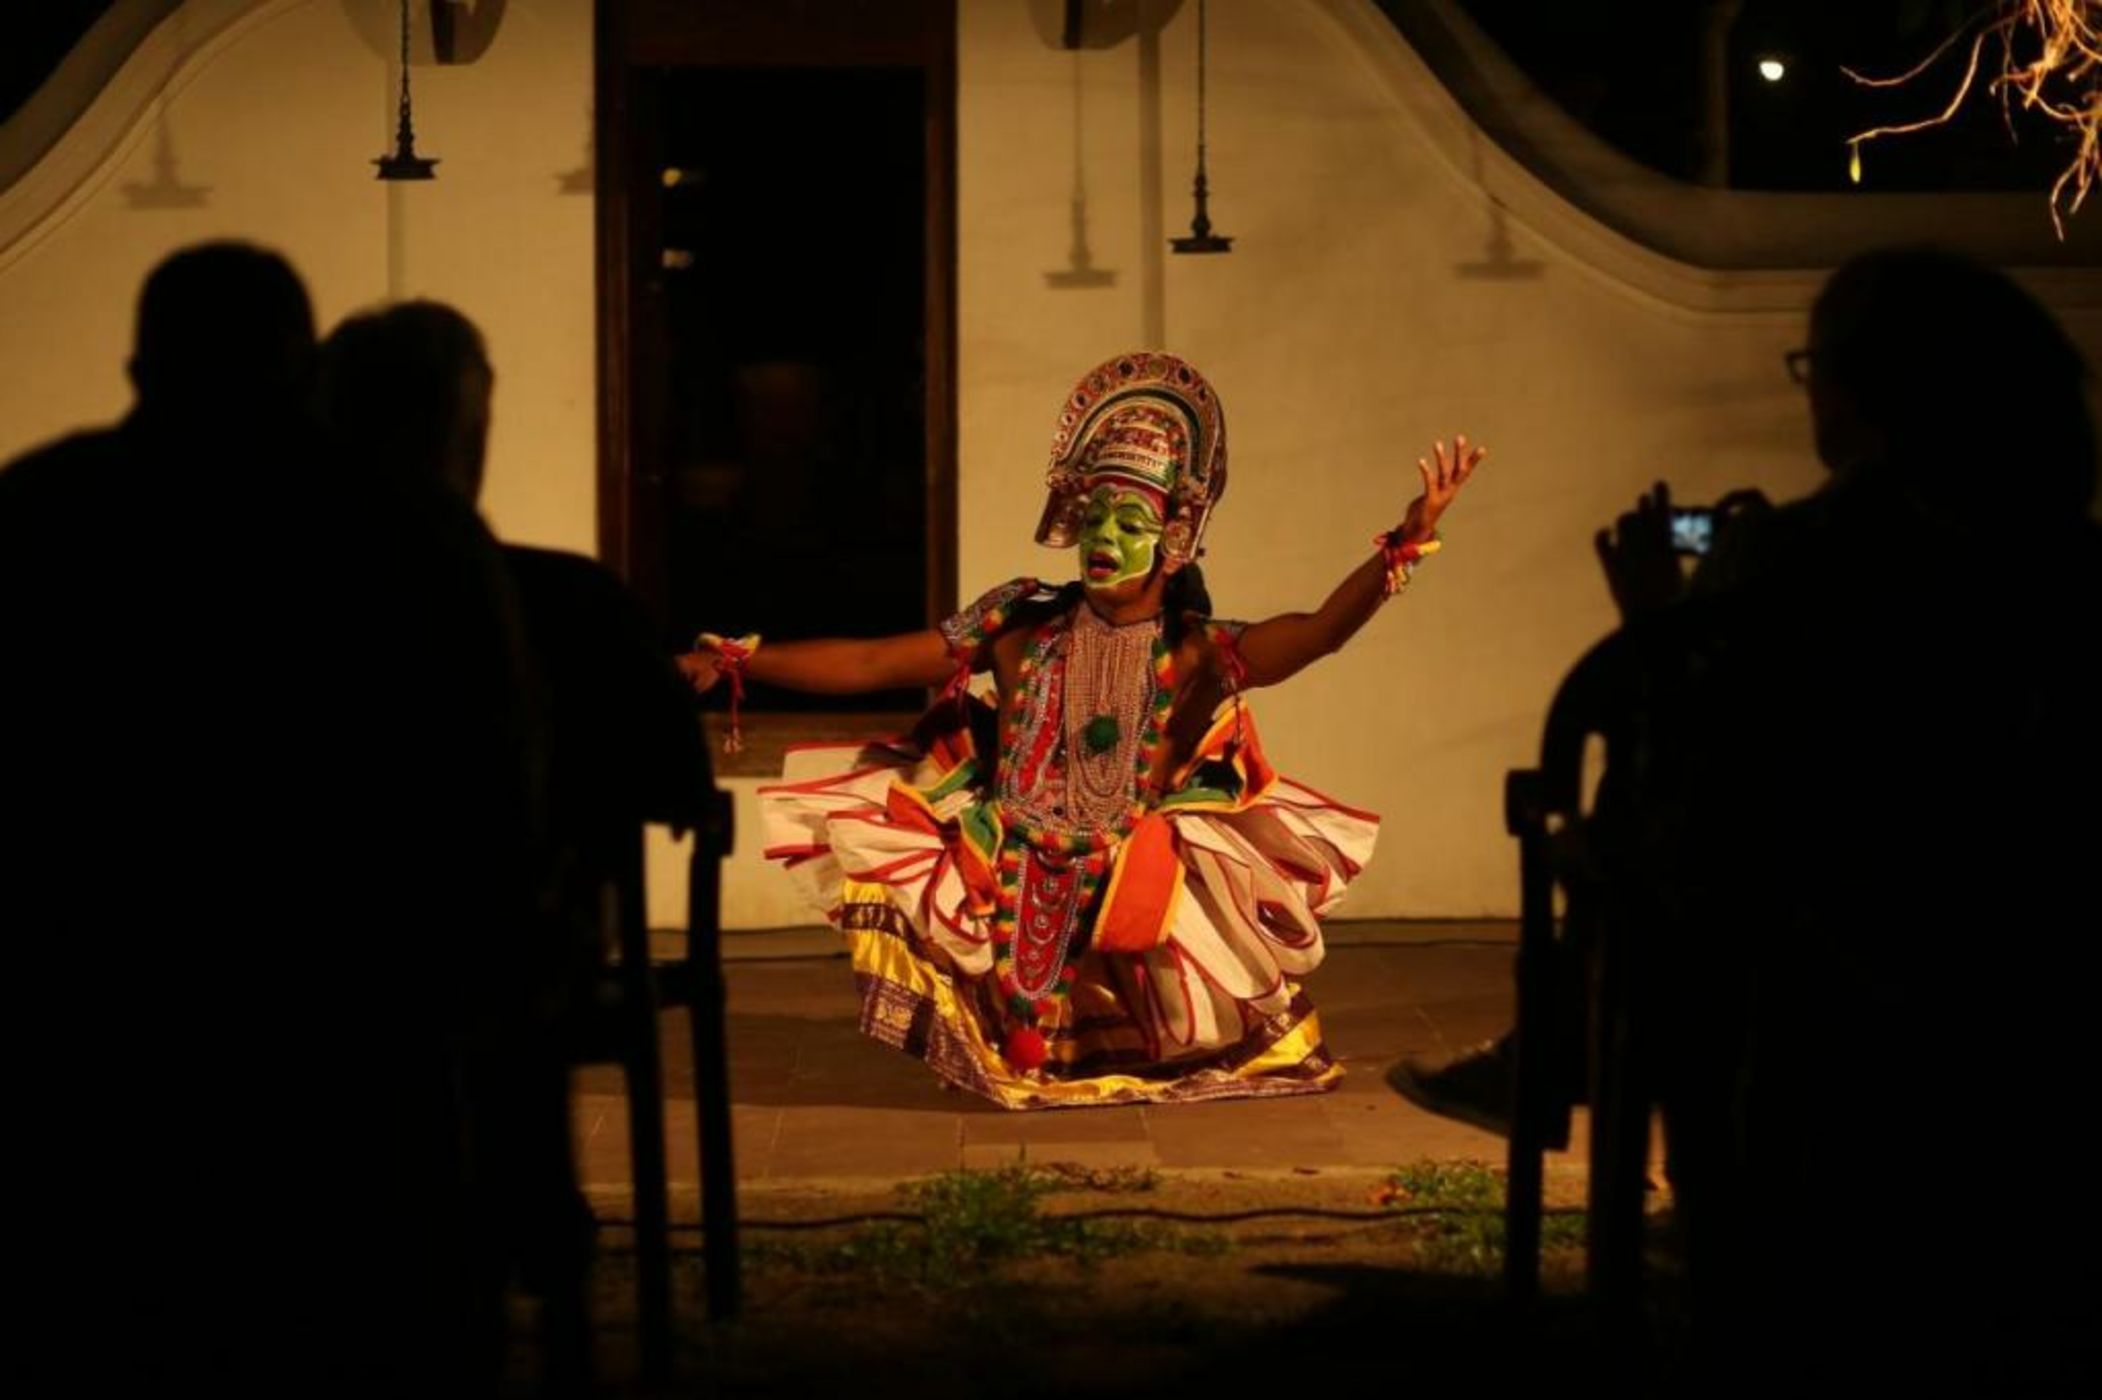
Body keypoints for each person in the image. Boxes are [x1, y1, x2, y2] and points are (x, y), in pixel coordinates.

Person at [1, 245, 545, 1394]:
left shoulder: (41, 511)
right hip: (351, 1021)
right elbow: (493, 800)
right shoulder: (407, 529)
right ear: (304, 369)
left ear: (140, 365)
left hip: (91, 1021)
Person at [682, 352, 1484, 1107]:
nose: (1104, 539)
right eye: (1095, 517)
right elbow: (872, 662)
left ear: (1174, 539)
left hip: (1125, 857)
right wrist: (743, 657)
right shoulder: (1019, 621)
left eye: (1129, 522)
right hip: (1009, 848)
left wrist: (1405, 543)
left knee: (1167, 913)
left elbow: (1317, 633)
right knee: (906, 860)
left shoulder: (1196, 650)